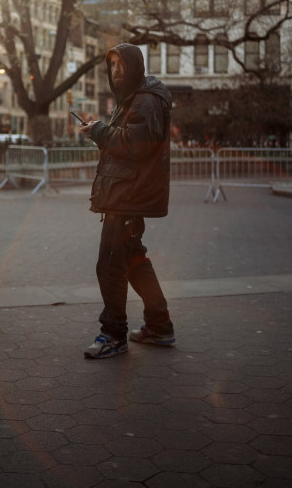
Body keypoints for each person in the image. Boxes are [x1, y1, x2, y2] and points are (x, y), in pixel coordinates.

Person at [81, 44, 175, 359]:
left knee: (109, 265)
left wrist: (99, 131)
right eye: (112, 66)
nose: (115, 71)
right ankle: (159, 326)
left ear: (135, 66)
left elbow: (136, 146)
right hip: (126, 192)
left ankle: (113, 335)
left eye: (121, 65)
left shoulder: (146, 99)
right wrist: (100, 134)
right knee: (134, 260)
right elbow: (126, 146)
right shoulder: (136, 98)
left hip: (127, 196)